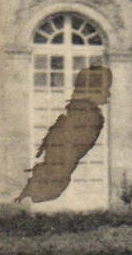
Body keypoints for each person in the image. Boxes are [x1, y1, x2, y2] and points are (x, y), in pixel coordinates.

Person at [18, 65, 112, 203]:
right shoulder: (90, 117)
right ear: (92, 91)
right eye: (105, 89)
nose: (108, 94)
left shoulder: (78, 115)